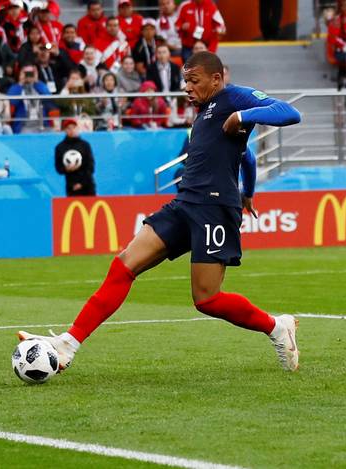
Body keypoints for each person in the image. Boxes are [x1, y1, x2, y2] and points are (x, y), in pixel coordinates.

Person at [17, 51, 303, 374]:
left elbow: (290, 112)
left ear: (217, 78)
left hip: (214, 210)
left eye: (194, 80)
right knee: (124, 265)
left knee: (207, 299)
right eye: (185, 81)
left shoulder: (232, 97)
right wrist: (248, 193)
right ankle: (69, 344)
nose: (187, 87)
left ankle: (278, 327)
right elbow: (247, 157)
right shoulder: (205, 113)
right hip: (183, 205)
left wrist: (244, 117)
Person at [55, 118, 96, 197]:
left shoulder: (85, 145)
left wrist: (81, 183)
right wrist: (66, 169)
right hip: (71, 186)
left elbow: (90, 166)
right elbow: (58, 168)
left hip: (88, 185)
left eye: (74, 127)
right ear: (65, 130)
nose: (72, 130)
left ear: (78, 129)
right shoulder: (60, 147)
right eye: (68, 128)